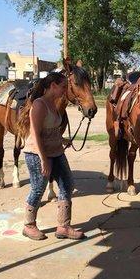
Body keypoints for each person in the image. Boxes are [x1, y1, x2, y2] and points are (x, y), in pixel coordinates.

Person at [17, 72, 86, 240]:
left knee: (67, 184)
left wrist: (62, 139)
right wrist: (43, 159)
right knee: (38, 187)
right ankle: (28, 225)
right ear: (53, 86)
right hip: (37, 153)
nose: (65, 90)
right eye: (63, 87)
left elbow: (52, 129)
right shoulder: (40, 105)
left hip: (56, 152)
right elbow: (36, 134)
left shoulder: (53, 104)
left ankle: (63, 226)